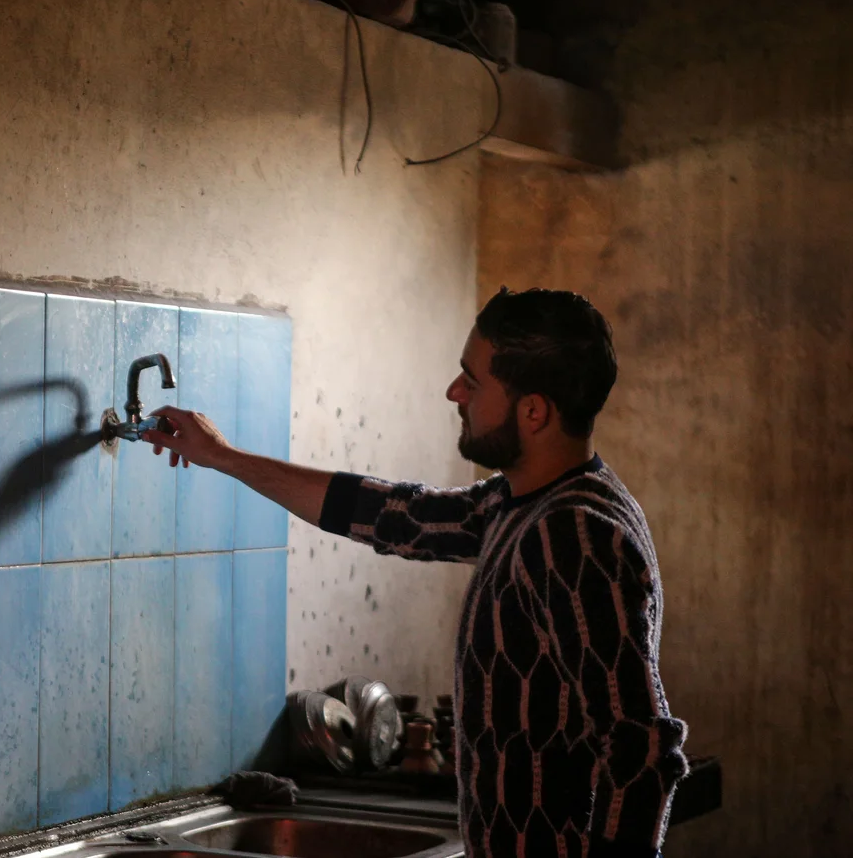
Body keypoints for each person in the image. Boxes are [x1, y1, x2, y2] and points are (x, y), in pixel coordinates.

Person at [142, 287, 689, 858]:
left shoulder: (574, 533)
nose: (454, 393)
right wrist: (225, 457)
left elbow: (640, 748)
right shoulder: (517, 504)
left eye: (472, 382)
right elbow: (395, 515)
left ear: (534, 411)